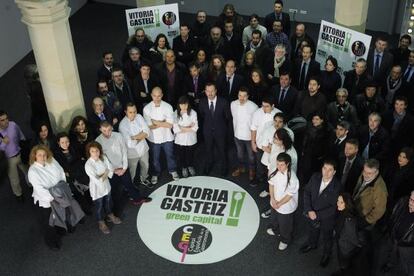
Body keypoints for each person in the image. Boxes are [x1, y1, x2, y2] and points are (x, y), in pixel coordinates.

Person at [28, 145, 83, 249]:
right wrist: (55, 197)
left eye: (44, 155)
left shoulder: (51, 160)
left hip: (60, 194)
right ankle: (51, 242)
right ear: (34, 156)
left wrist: (62, 189)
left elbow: (61, 172)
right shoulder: (33, 171)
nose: (43, 157)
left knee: (64, 212)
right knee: (49, 222)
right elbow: (39, 189)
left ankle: (62, 229)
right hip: (47, 200)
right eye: (39, 155)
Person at [96, 121, 151, 215]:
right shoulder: (98, 141)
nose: (107, 133)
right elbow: (103, 159)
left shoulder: (118, 136)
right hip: (111, 170)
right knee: (114, 190)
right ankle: (115, 211)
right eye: (104, 131)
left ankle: (137, 199)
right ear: (100, 130)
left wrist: (124, 167)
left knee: (129, 184)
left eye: (109, 130)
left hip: (122, 166)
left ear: (112, 128)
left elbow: (124, 151)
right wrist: (114, 170)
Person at [301, 159, 341, 268]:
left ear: (334, 172)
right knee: (312, 230)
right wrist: (309, 210)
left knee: (327, 237)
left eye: (330, 170)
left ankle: (326, 255)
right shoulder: (315, 177)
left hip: (326, 218)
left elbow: (333, 208)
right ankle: (312, 244)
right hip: (312, 212)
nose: (326, 172)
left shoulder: (337, 186)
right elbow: (307, 192)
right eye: (324, 168)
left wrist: (316, 215)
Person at [143, 87, 179, 184]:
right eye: (154, 96)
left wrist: (155, 121)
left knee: (170, 155)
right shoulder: (146, 108)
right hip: (154, 138)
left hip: (167, 137)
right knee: (155, 158)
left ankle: (173, 170)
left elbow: (170, 125)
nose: (157, 98)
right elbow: (150, 126)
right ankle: (155, 173)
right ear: (151, 95)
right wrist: (163, 122)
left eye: (159, 96)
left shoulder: (168, 107)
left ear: (162, 95)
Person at [84, 141, 122, 234]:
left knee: (109, 201)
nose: (95, 153)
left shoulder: (103, 157)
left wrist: (104, 174)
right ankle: (101, 222)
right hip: (97, 189)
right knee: (99, 206)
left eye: (97, 150)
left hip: (106, 185)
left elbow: (110, 169)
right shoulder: (88, 165)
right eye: (92, 151)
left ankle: (110, 214)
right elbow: (98, 180)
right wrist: (106, 172)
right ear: (89, 152)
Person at [266, 152, 299, 251]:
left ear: (287, 164)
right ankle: (276, 230)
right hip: (275, 202)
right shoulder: (275, 171)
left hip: (286, 206)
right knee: (274, 218)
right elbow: (271, 184)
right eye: (277, 164)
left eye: (281, 165)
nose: (279, 167)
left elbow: (289, 195)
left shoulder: (292, 178)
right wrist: (272, 198)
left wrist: (279, 204)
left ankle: (285, 240)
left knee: (285, 225)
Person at [54, 132, 92, 215]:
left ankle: (91, 204)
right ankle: (86, 209)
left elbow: (81, 160)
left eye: (67, 141)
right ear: (58, 143)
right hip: (71, 178)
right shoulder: (57, 154)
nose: (65, 144)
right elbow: (63, 168)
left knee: (87, 190)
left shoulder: (73, 148)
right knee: (78, 195)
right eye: (62, 142)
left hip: (80, 173)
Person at [198, 83, 232, 176]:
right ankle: (208, 165)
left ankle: (224, 168)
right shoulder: (202, 102)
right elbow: (202, 116)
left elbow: (228, 118)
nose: (210, 93)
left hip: (220, 131)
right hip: (208, 131)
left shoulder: (223, 102)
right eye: (208, 91)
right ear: (205, 92)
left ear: (216, 91)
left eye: (212, 91)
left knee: (222, 151)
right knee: (208, 150)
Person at [118, 103, 151, 187]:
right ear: (126, 112)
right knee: (132, 171)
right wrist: (141, 135)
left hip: (143, 149)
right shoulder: (122, 125)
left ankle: (143, 179)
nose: (133, 114)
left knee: (146, 166)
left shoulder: (139, 116)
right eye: (130, 112)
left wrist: (134, 137)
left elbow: (147, 132)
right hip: (131, 153)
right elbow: (130, 144)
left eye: (135, 111)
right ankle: (130, 187)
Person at [250, 96, 281, 184]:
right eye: (263, 105)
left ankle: (270, 182)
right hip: (260, 144)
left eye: (266, 106)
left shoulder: (278, 114)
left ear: (273, 106)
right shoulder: (257, 113)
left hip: (273, 146)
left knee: (272, 164)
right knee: (259, 163)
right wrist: (253, 142)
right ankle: (259, 178)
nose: (264, 108)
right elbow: (253, 128)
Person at [382, 191, 414, 275]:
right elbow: (392, 214)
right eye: (411, 199)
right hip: (393, 236)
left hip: (406, 245)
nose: (411, 203)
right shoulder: (403, 201)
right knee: (391, 252)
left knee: (405, 262)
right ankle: (389, 264)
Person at [230, 87, 258, 181]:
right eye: (240, 95)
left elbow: (256, 123)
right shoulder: (233, 104)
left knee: (251, 156)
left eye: (244, 96)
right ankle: (241, 168)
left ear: (248, 96)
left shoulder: (254, 107)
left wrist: (254, 139)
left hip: (249, 136)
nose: (241, 98)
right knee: (240, 154)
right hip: (237, 134)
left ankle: (252, 171)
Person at [0, 110, 28, 201]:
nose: (6, 121)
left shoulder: (13, 125)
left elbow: (20, 135)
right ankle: (18, 194)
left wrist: (25, 146)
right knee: (14, 180)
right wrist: (4, 143)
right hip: (9, 160)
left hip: (20, 153)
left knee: (28, 172)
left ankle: (31, 185)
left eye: (6, 118)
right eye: (2, 120)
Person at [332, 193, 360, 276]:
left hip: (345, 247)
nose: (338, 203)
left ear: (347, 204)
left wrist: (358, 246)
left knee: (344, 263)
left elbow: (353, 239)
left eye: (341, 202)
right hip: (341, 241)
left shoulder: (349, 221)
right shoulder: (342, 212)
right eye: (338, 201)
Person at [300, 112, 330, 184]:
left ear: (322, 120)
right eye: (313, 119)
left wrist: (321, 156)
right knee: (305, 172)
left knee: (313, 174)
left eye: (317, 119)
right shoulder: (309, 128)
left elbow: (325, 147)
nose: (314, 121)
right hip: (307, 155)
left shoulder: (325, 132)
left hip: (317, 158)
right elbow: (305, 141)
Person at [173, 96, 199, 178]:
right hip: (180, 140)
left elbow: (195, 128)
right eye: (181, 104)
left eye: (185, 104)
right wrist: (188, 127)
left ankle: (190, 166)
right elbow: (175, 129)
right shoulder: (175, 113)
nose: (183, 106)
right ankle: (184, 167)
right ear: (179, 105)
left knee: (190, 154)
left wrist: (181, 127)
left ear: (188, 104)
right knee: (181, 155)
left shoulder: (193, 113)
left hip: (191, 139)